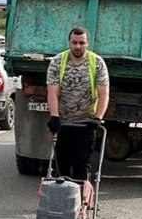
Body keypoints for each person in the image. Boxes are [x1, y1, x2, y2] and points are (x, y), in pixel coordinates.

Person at [46, 26, 110, 181]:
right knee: (61, 165)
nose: (77, 46)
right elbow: (52, 92)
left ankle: (81, 196)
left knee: (81, 164)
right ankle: (61, 198)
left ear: (87, 43)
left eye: (81, 43)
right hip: (64, 122)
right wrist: (54, 116)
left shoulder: (97, 63)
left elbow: (104, 94)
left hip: (86, 123)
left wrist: (97, 118)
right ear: (69, 42)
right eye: (74, 42)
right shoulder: (57, 62)